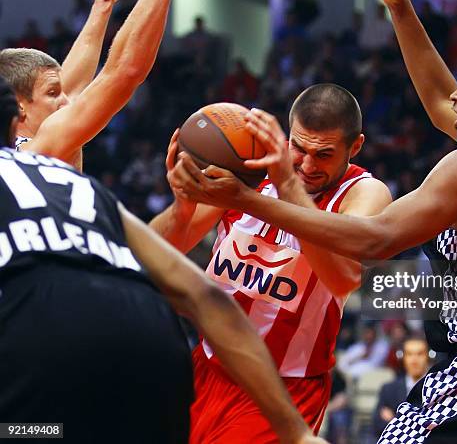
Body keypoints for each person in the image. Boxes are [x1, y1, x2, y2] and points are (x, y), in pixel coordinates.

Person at [177, 0, 457, 442]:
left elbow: (375, 240)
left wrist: (248, 200)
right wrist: (397, 4)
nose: (455, 95)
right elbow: (440, 104)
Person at [0, 77, 325, 444]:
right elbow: (204, 296)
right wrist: (298, 434)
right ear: (14, 123)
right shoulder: (72, 181)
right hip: (157, 343)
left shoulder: (356, 192)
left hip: (54, 338)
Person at [149, 83, 392, 443]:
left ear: (354, 147)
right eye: (299, 148)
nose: (307, 165)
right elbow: (152, 252)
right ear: (288, 135)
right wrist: (183, 208)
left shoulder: (364, 193)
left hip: (284, 389)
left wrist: (282, 184)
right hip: (207, 367)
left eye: (324, 154)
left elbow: (343, 278)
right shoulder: (249, 167)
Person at [0, 0, 157, 172]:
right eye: (52, 93)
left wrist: (103, 3)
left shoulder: (25, 146)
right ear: (19, 106)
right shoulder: (32, 153)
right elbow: (126, 71)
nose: (66, 101)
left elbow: (70, 86)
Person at [373, 338, 430, 437]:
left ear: (428, 357)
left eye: (419, 354)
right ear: (402, 358)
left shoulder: (439, 388)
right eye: (409, 354)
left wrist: (395, 420)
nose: (414, 360)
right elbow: (378, 425)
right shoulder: (388, 389)